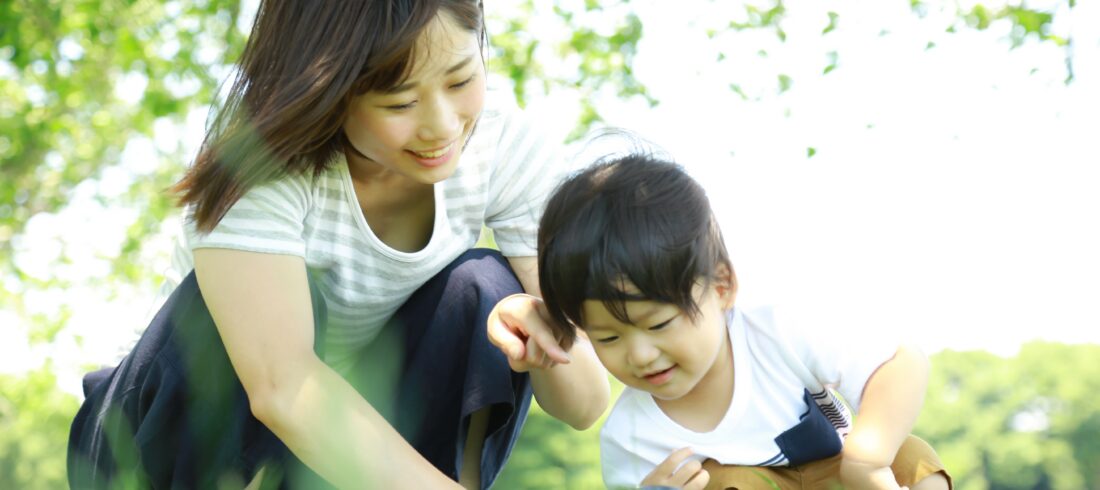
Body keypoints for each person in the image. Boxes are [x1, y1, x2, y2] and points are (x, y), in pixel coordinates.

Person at [67, 1, 609, 488]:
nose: (442, 126)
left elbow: (585, 404)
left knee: (486, 286)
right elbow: (283, 389)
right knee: (253, 311)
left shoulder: (504, 150)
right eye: (398, 104)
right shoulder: (259, 157)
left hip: (337, 447)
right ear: (324, 91)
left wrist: (537, 333)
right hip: (150, 442)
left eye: (461, 79)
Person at [516, 153, 953, 490]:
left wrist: (867, 456)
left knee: (910, 456)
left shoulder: (777, 332)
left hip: (842, 477)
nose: (640, 354)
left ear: (721, 286)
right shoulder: (632, 436)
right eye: (608, 336)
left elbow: (902, 361)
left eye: (659, 324)